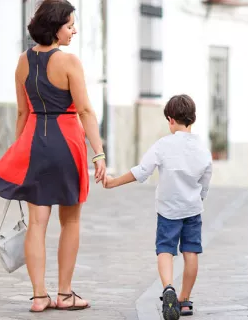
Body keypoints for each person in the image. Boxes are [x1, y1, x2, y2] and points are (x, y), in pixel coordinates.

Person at [0, 0, 106, 312]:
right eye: (69, 25)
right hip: (67, 143)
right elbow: (86, 110)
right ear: (55, 28)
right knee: (71, 219)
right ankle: (64, 294)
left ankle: (39, 296)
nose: (74, 30)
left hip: (34, 142)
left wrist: (19, 152)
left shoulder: (22, 61)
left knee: (37, 223)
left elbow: (22, 113)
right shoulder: (69, 62)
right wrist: (99, 153)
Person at [104, 94, 213, 320]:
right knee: (191, 252)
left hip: (168, 211)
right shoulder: (203, 149)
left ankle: (168, 289)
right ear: (192, 119)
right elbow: (205, 180)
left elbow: (142, 171)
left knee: (165, 250)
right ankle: (184, 300)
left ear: (170, 119)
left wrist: (114, 182)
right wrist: (198, 198)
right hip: (192, 210)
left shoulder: (163, 145)